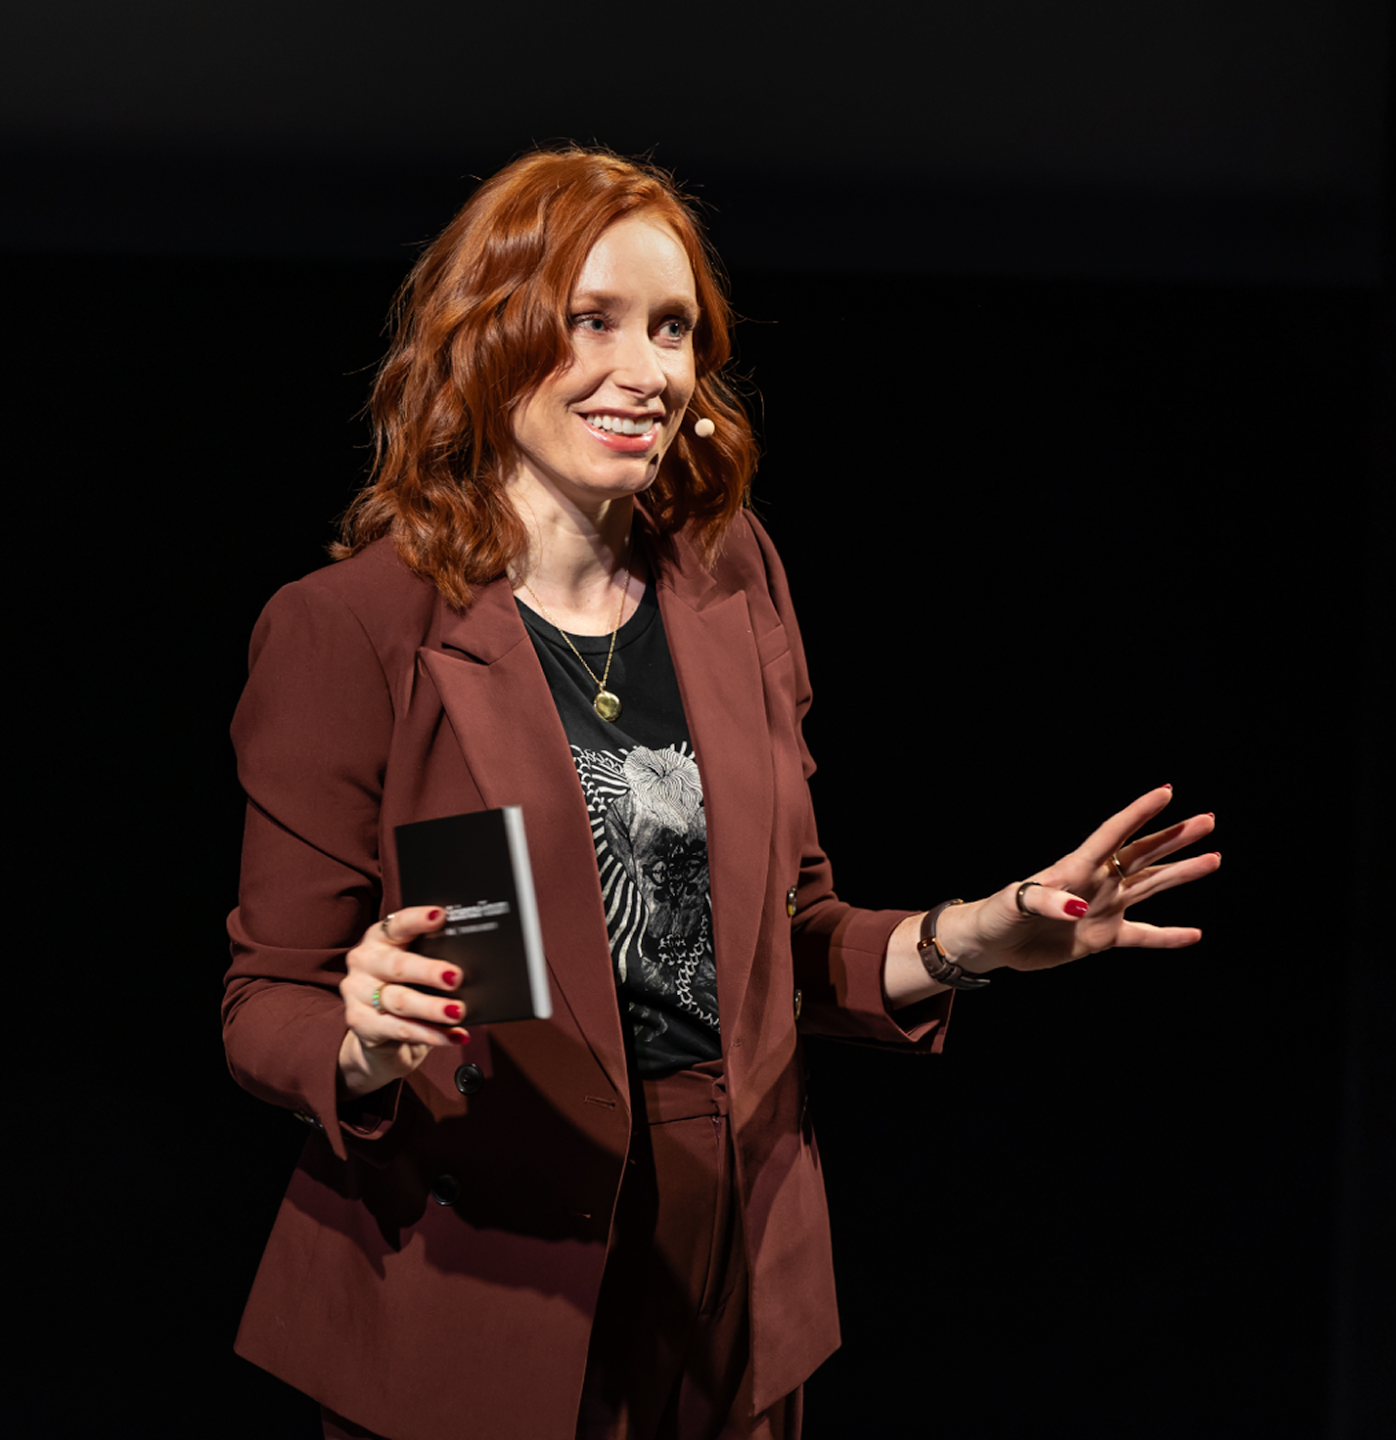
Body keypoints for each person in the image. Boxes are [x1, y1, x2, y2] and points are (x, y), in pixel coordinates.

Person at [223, 146, 1219, 1440]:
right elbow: (267, 1000)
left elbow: (784, 943)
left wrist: (977, 936)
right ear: (488, 337)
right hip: (480, 1269)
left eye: (673, 328)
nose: (647, 370)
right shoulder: (352, 629)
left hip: (731, 1261)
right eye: (592, 321)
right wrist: (359, 1047)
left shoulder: (732, 578)